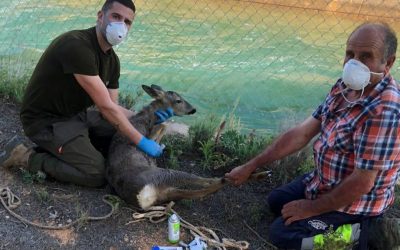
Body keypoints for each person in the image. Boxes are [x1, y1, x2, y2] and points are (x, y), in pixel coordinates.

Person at [226, 22, 400, 249]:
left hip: (357, 203)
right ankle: (321, 209)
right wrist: (252, 165)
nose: (353, 62)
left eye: (366, 56)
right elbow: (303, 132)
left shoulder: (385, 109)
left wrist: (311, 208)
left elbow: (362, 182)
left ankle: (364, 233)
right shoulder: (345, 87)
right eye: (350, 54)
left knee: (283, 234)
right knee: (276, 201)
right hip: (325, 181)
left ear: (387, 63)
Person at [0, 0, 173, 187]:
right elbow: (105, 107)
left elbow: (112, 107)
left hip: (76, 116)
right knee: (96, 175)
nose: (121, 24)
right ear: (101, 16)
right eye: (116, 16)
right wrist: (142, 142)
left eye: (127, 21)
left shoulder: (113, 61)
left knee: (124, 129)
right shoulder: (77, 46)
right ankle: (25, 156)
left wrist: (148, 117)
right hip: (46, 121)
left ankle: (70, 150)